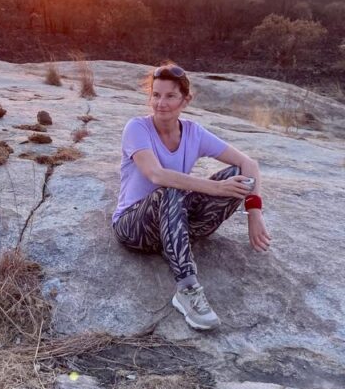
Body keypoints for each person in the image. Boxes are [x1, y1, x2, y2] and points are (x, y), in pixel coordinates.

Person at [112, 61, 271, 330]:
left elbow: (249, 165)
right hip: (134, 227)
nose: (161, 103)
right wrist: (215, 188)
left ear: (186, 99)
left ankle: (174, 245)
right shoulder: (136, 128)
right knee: (171, 189)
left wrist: (254, 213)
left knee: (236, 173)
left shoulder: (194, 132)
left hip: (177, 225)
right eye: (156, 94)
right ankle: (187, 290)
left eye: (170, 96)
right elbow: (157, 176)